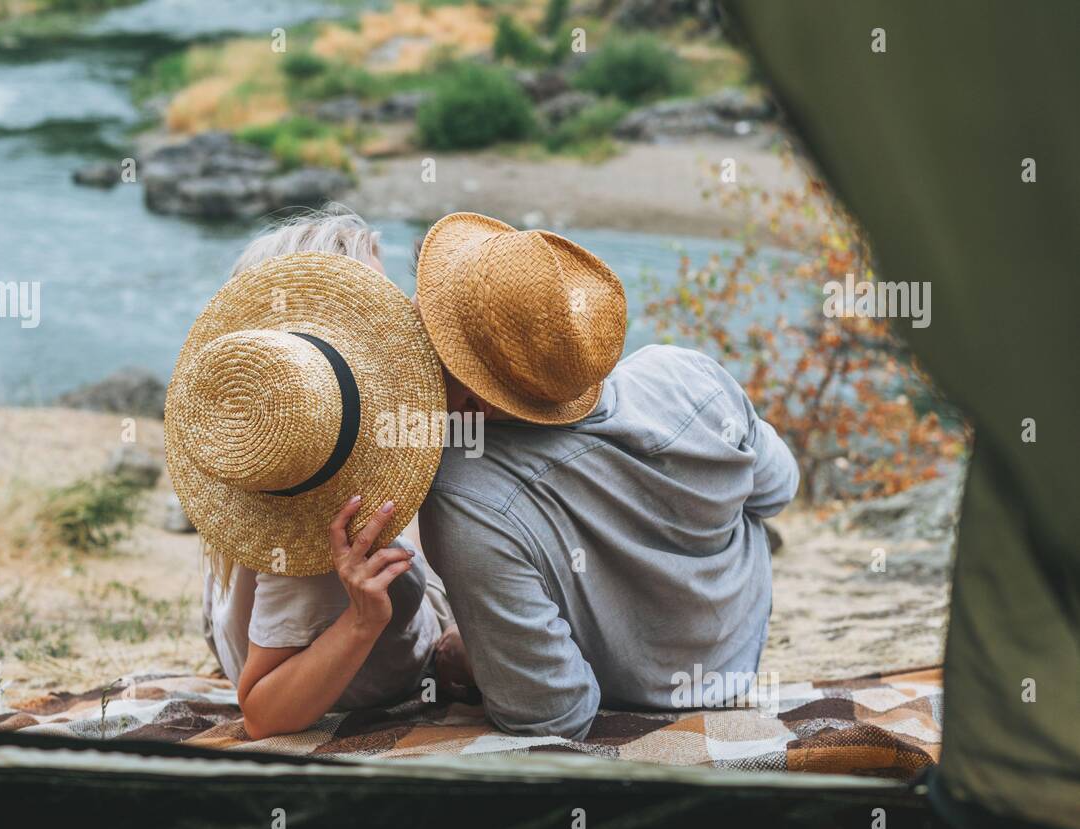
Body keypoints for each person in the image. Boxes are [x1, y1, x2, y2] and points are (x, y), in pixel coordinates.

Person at [414, 212, 800, 739]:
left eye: (431, 326)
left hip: (639, 690)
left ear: (472, 400)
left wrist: (469, 657)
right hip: (736, 658)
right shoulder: (687, 374)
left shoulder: (466, 496)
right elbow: (779, 490)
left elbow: (554, 714)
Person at [166, 208, 457, 741]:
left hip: (233, 627)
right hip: (395, 661)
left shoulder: (269, 457)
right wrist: (362, 622)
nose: (404, 318)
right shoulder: (314, 541)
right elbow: (261, 713)